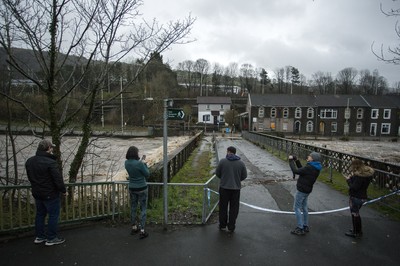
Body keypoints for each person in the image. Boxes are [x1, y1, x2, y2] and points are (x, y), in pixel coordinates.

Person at [25, 139, 66, 246]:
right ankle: (51, 238)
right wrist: (63, 190)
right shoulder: (51, 162)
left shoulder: (30, 161)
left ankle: (40, 237)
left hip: (37, 193)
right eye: (51, 147)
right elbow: (57, 179)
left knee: (40, 215)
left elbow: (31, 178)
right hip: (50, 194)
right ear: (48, 149)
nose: (52, 149)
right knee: (53, 215)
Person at [288, 152, 322, 236]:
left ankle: (300, 228)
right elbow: (302, 170)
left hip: (302, 190)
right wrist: (296, 160)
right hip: (307, 190)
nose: (308, 156)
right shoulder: (314, 167)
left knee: (296, 208)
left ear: (313, 158)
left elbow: (296, 171)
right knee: (304, 207)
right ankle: (305, 225)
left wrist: (290, 161)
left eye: (309, 156)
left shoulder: (310, 167)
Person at [215, 146, 248, 233]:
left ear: (228, 152)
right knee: (234, 208)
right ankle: (231, 226)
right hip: (236, 189)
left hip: (224, 188)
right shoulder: (241, 163)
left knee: (223, 207)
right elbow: (244, 176)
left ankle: (222, 225)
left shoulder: (223, 161)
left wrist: (224, 178)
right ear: (235, 152)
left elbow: (217, 173)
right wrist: (237, 180)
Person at [344, 159, 374, 238]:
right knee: (356, 214)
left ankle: (356, 232)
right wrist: (352, 178)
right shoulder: (367, 175)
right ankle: (357, 230)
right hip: (363, 196)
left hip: (356, 197)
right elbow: (360, 185)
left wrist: (348, 180)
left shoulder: (359, 176)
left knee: (355, 215)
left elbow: (354, 187)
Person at [125, 146, 150, 239]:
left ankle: (134, 227)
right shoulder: (140, 164)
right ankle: (142, 230)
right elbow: (147, 174)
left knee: (133, 207)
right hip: (142, 188)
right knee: (143, 208)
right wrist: (144, 164)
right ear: (136, 153)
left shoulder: (126, 163)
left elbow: (133, 171)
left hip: (132, 188)